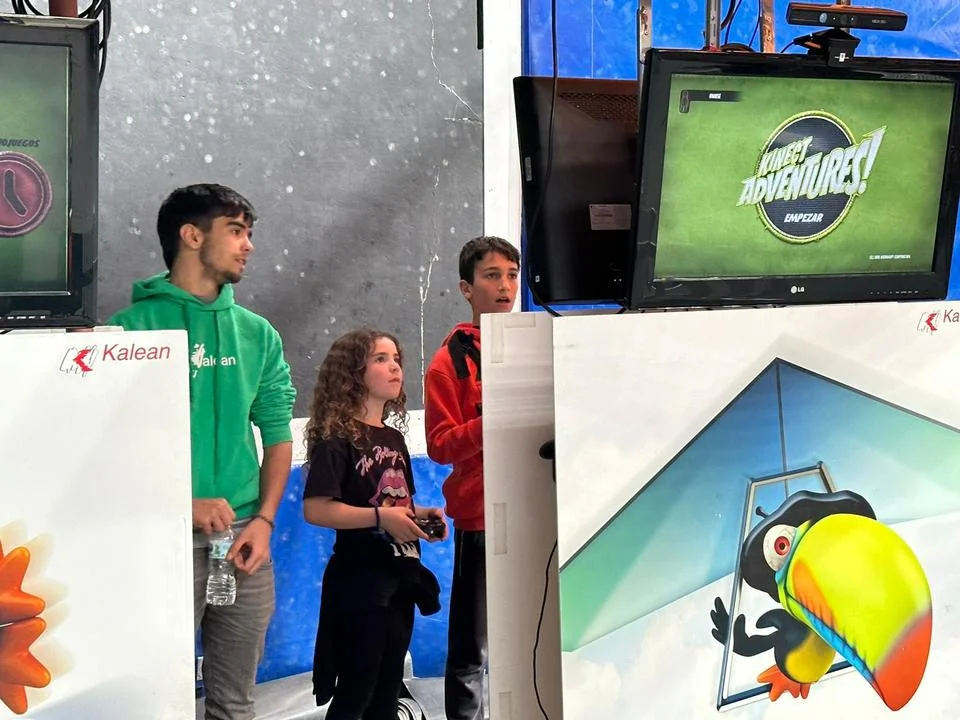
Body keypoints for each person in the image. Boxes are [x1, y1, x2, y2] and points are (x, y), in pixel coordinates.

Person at [107, 183, 296, 720]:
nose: (248, 245)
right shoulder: (125, 332)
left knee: (235, 705)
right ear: (191, 236)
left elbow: (277, 434)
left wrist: (264, 521)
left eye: (249, 233)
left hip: (244, 543)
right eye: (236, 231)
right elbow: (110, 454)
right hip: (157, 540)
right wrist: (178, 505)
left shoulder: (258, 334)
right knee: (153, 705)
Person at [303, 327, 446, 720]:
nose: (394, 366)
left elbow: (396, 502)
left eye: (396, 358)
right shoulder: (336, 439)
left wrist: (421, 516)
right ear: (353, 373)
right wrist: (382, 518)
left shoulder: (394, 438)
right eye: (380, 359)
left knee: (387, 689)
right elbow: (316, 509)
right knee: (357, 691)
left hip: (401, 577)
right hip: (359, 581)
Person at [424, 236, 520, 720]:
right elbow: (440, 445)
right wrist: (490, 421)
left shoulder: (536, 343)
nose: (505, 286)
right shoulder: (449, 362)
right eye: (492, 276)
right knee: (473, 649)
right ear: (467, 288)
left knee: (531, 637)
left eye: (512, 275)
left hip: (539, 511)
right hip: (482, 519)